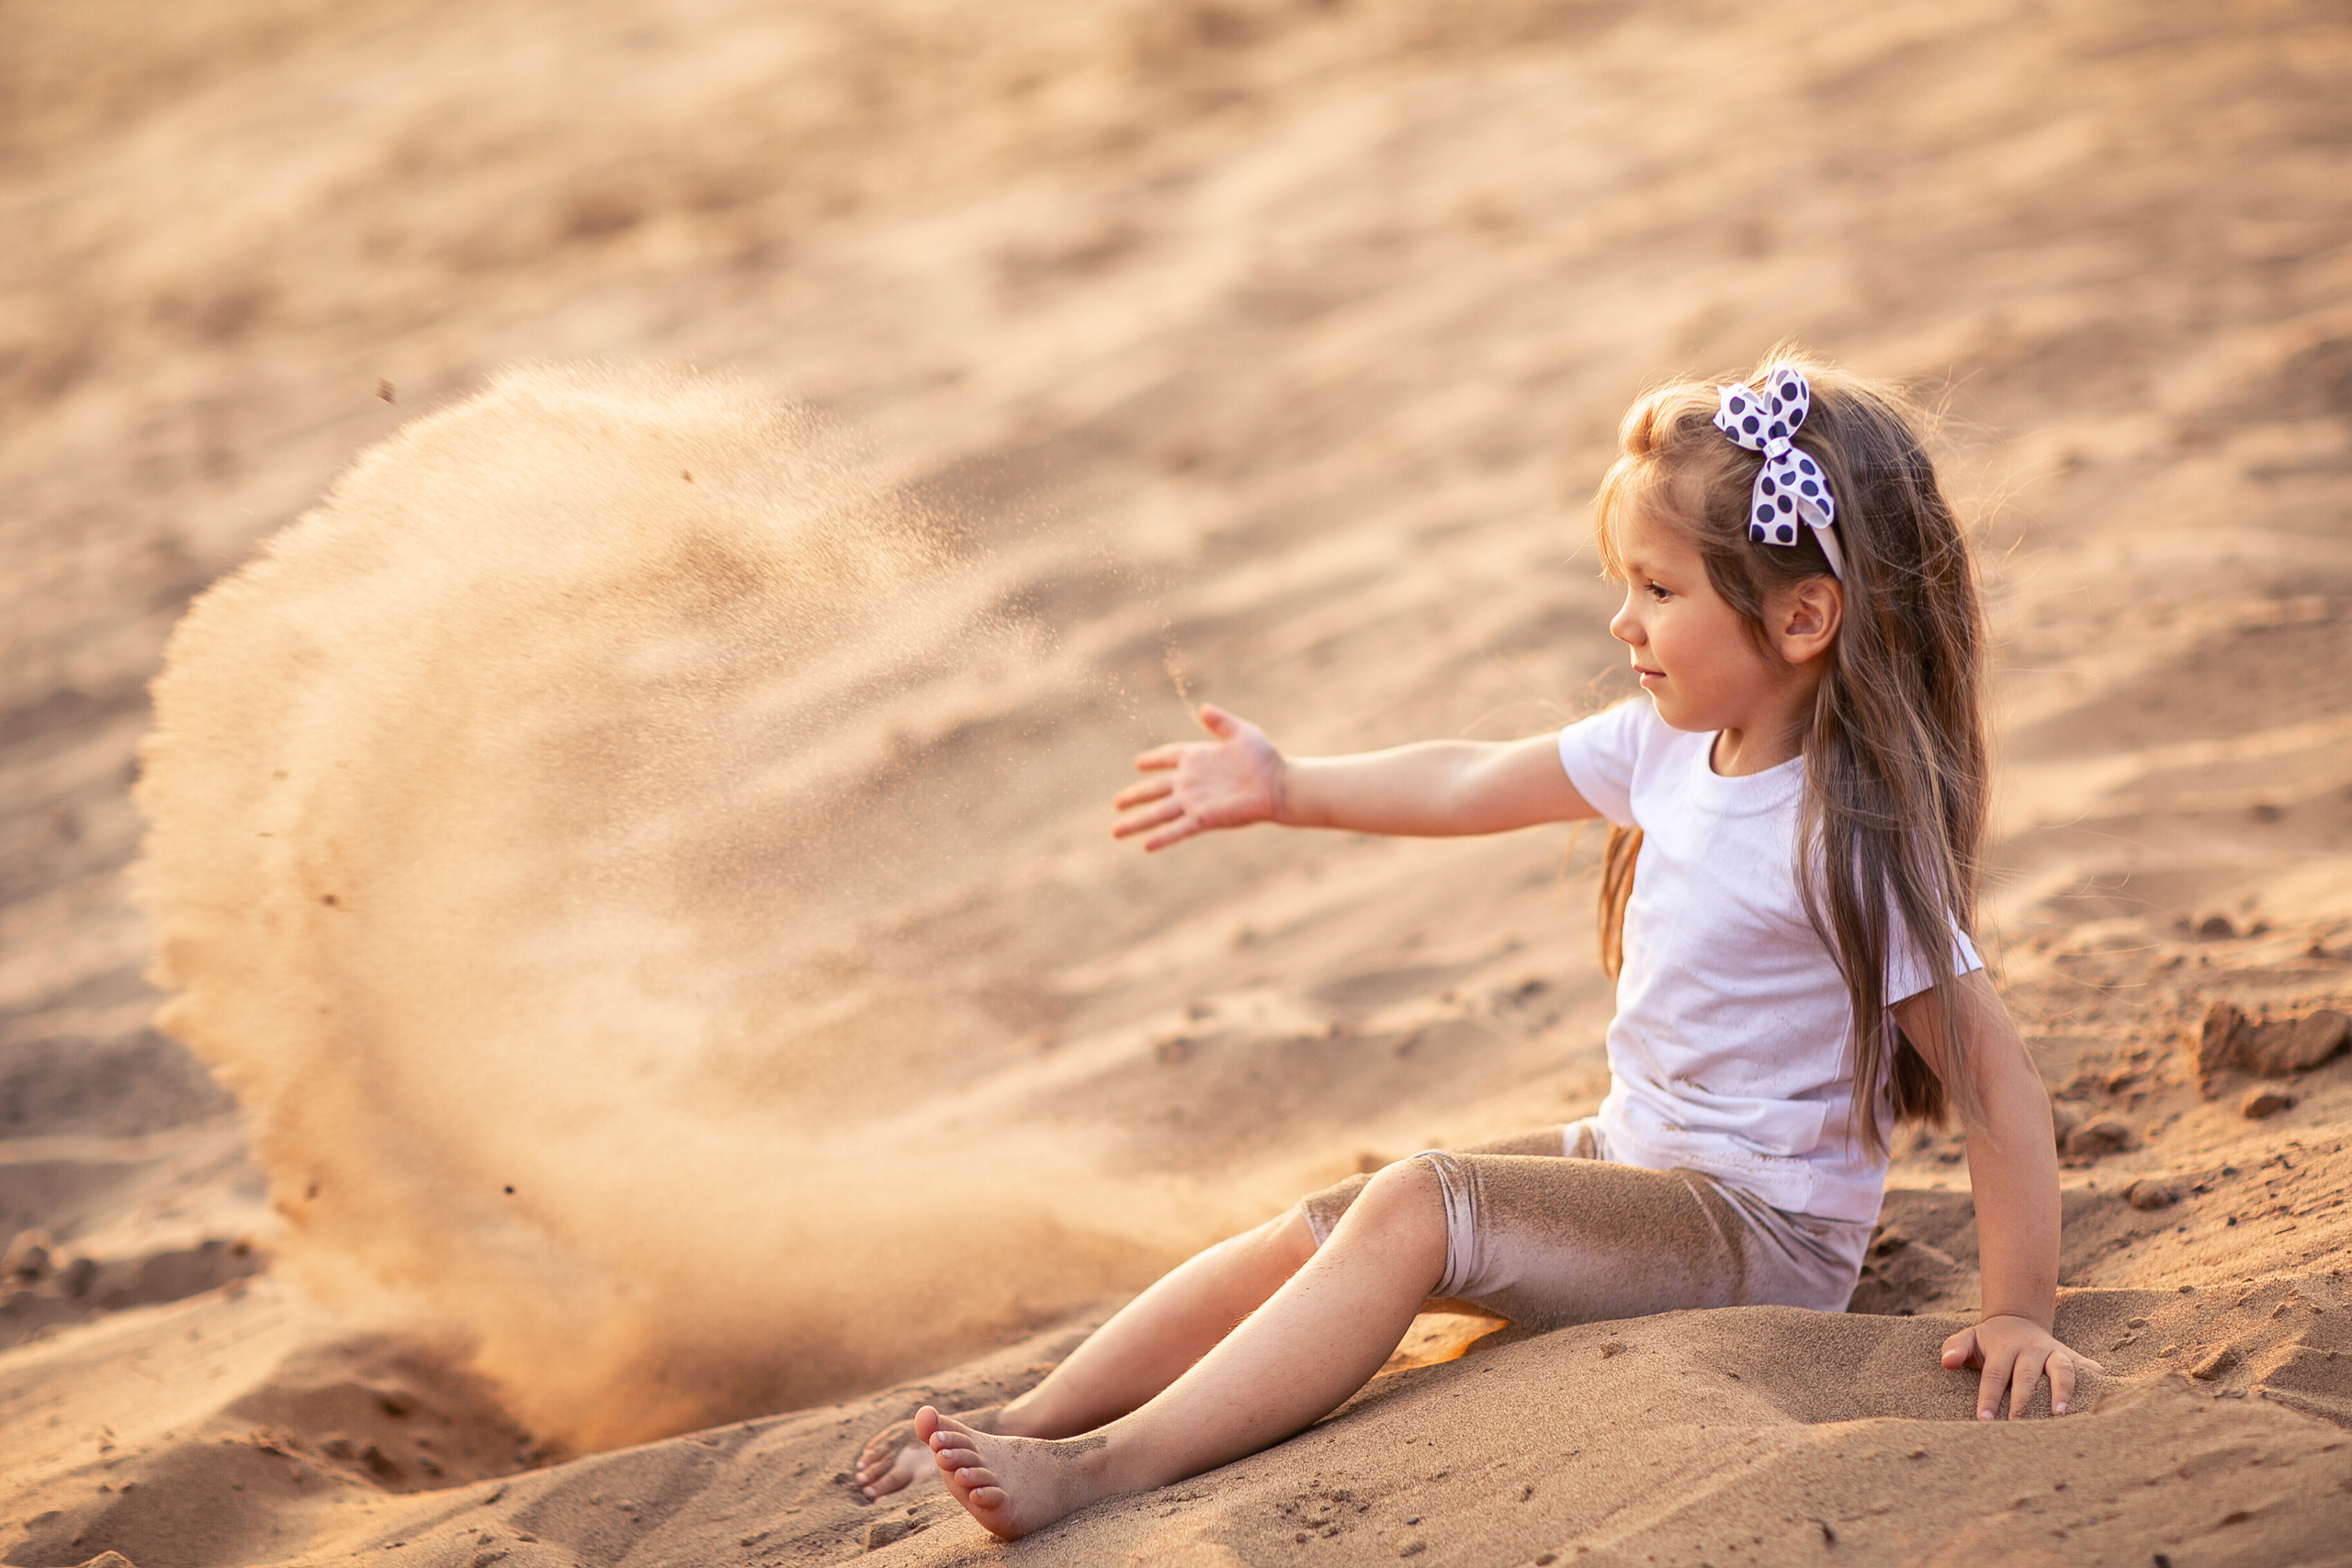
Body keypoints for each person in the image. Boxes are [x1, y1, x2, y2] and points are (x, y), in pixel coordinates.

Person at [854, 354, 2101, 1542]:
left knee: (1419, 1204)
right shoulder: (1669, 746)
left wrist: (2017, 1315)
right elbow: (1465, 782)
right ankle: (1025, 1421)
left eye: (1659, 592)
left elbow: (1995, 1082)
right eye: (1625, 584)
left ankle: (1096, 1474)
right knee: (1334, 1219)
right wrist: (1289, 785)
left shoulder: (1847, 839)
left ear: (1803, 618)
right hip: (1638, 1162)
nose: (1624, 622)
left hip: (1754, 1238)